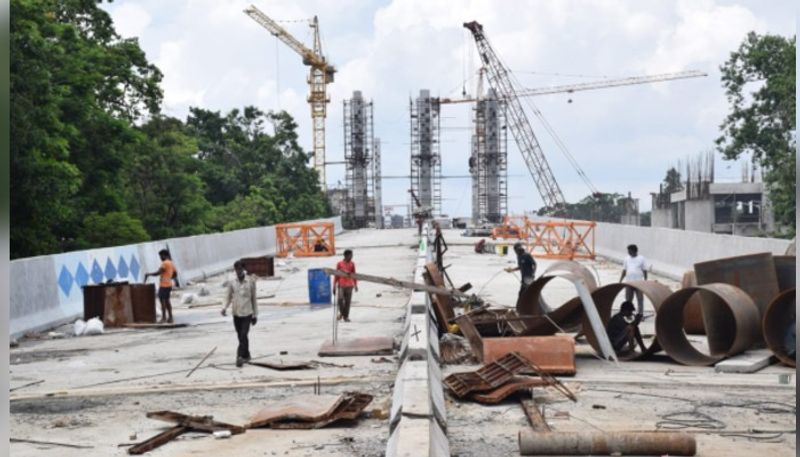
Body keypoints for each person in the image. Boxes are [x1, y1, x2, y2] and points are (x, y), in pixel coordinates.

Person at [221, 261, 257, 367]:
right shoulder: (232, 282)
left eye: (240, 269)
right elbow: (227, 296)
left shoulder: (250, 281)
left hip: (247, 313)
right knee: (240, 336)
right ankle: (247, 354)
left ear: (243, 269)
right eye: (236, 269)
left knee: (243, 334)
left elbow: (254, 299)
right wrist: (224, 308)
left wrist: (255, 315)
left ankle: (239, 357)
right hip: (236, 313)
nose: (238, 271)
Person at [144, 249, 179, 323]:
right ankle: (170, 317)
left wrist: (148, 274)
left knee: (162, 301)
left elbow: (158, 273)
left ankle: (163, 318)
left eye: (161, 256)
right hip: (169, 284)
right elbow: (175, 274)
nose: (160, 258)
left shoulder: (164, 263)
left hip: (163, 285)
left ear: (164, 255)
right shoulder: (171, 263)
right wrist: (169, 277)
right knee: (167, 301)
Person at [619, 244, 648, 320]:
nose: (628, 252)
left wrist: (645, 281)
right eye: (628, 251)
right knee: (628, 300)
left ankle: (640, 314)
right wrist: (620, 280)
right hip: (629, 283)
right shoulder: (626, 259)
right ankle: (628, 314)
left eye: (630, 251)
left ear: (634, 251)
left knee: (640, 299)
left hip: (639, 283)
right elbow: (624, 270)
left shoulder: (641, 259)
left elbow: (645, 270)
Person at [333, 249, 357, 322]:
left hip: (350, 286)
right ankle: (343, 314)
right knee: (340, 300)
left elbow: (354, 275)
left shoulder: (352, 264)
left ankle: (345, 317)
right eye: (350, 255)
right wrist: (334, 286)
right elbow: (336, 275)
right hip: (341, 285)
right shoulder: (339, 264)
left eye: (352, 255)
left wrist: (355, 285)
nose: (351, 257)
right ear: (346, 256)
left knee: (348, 302)